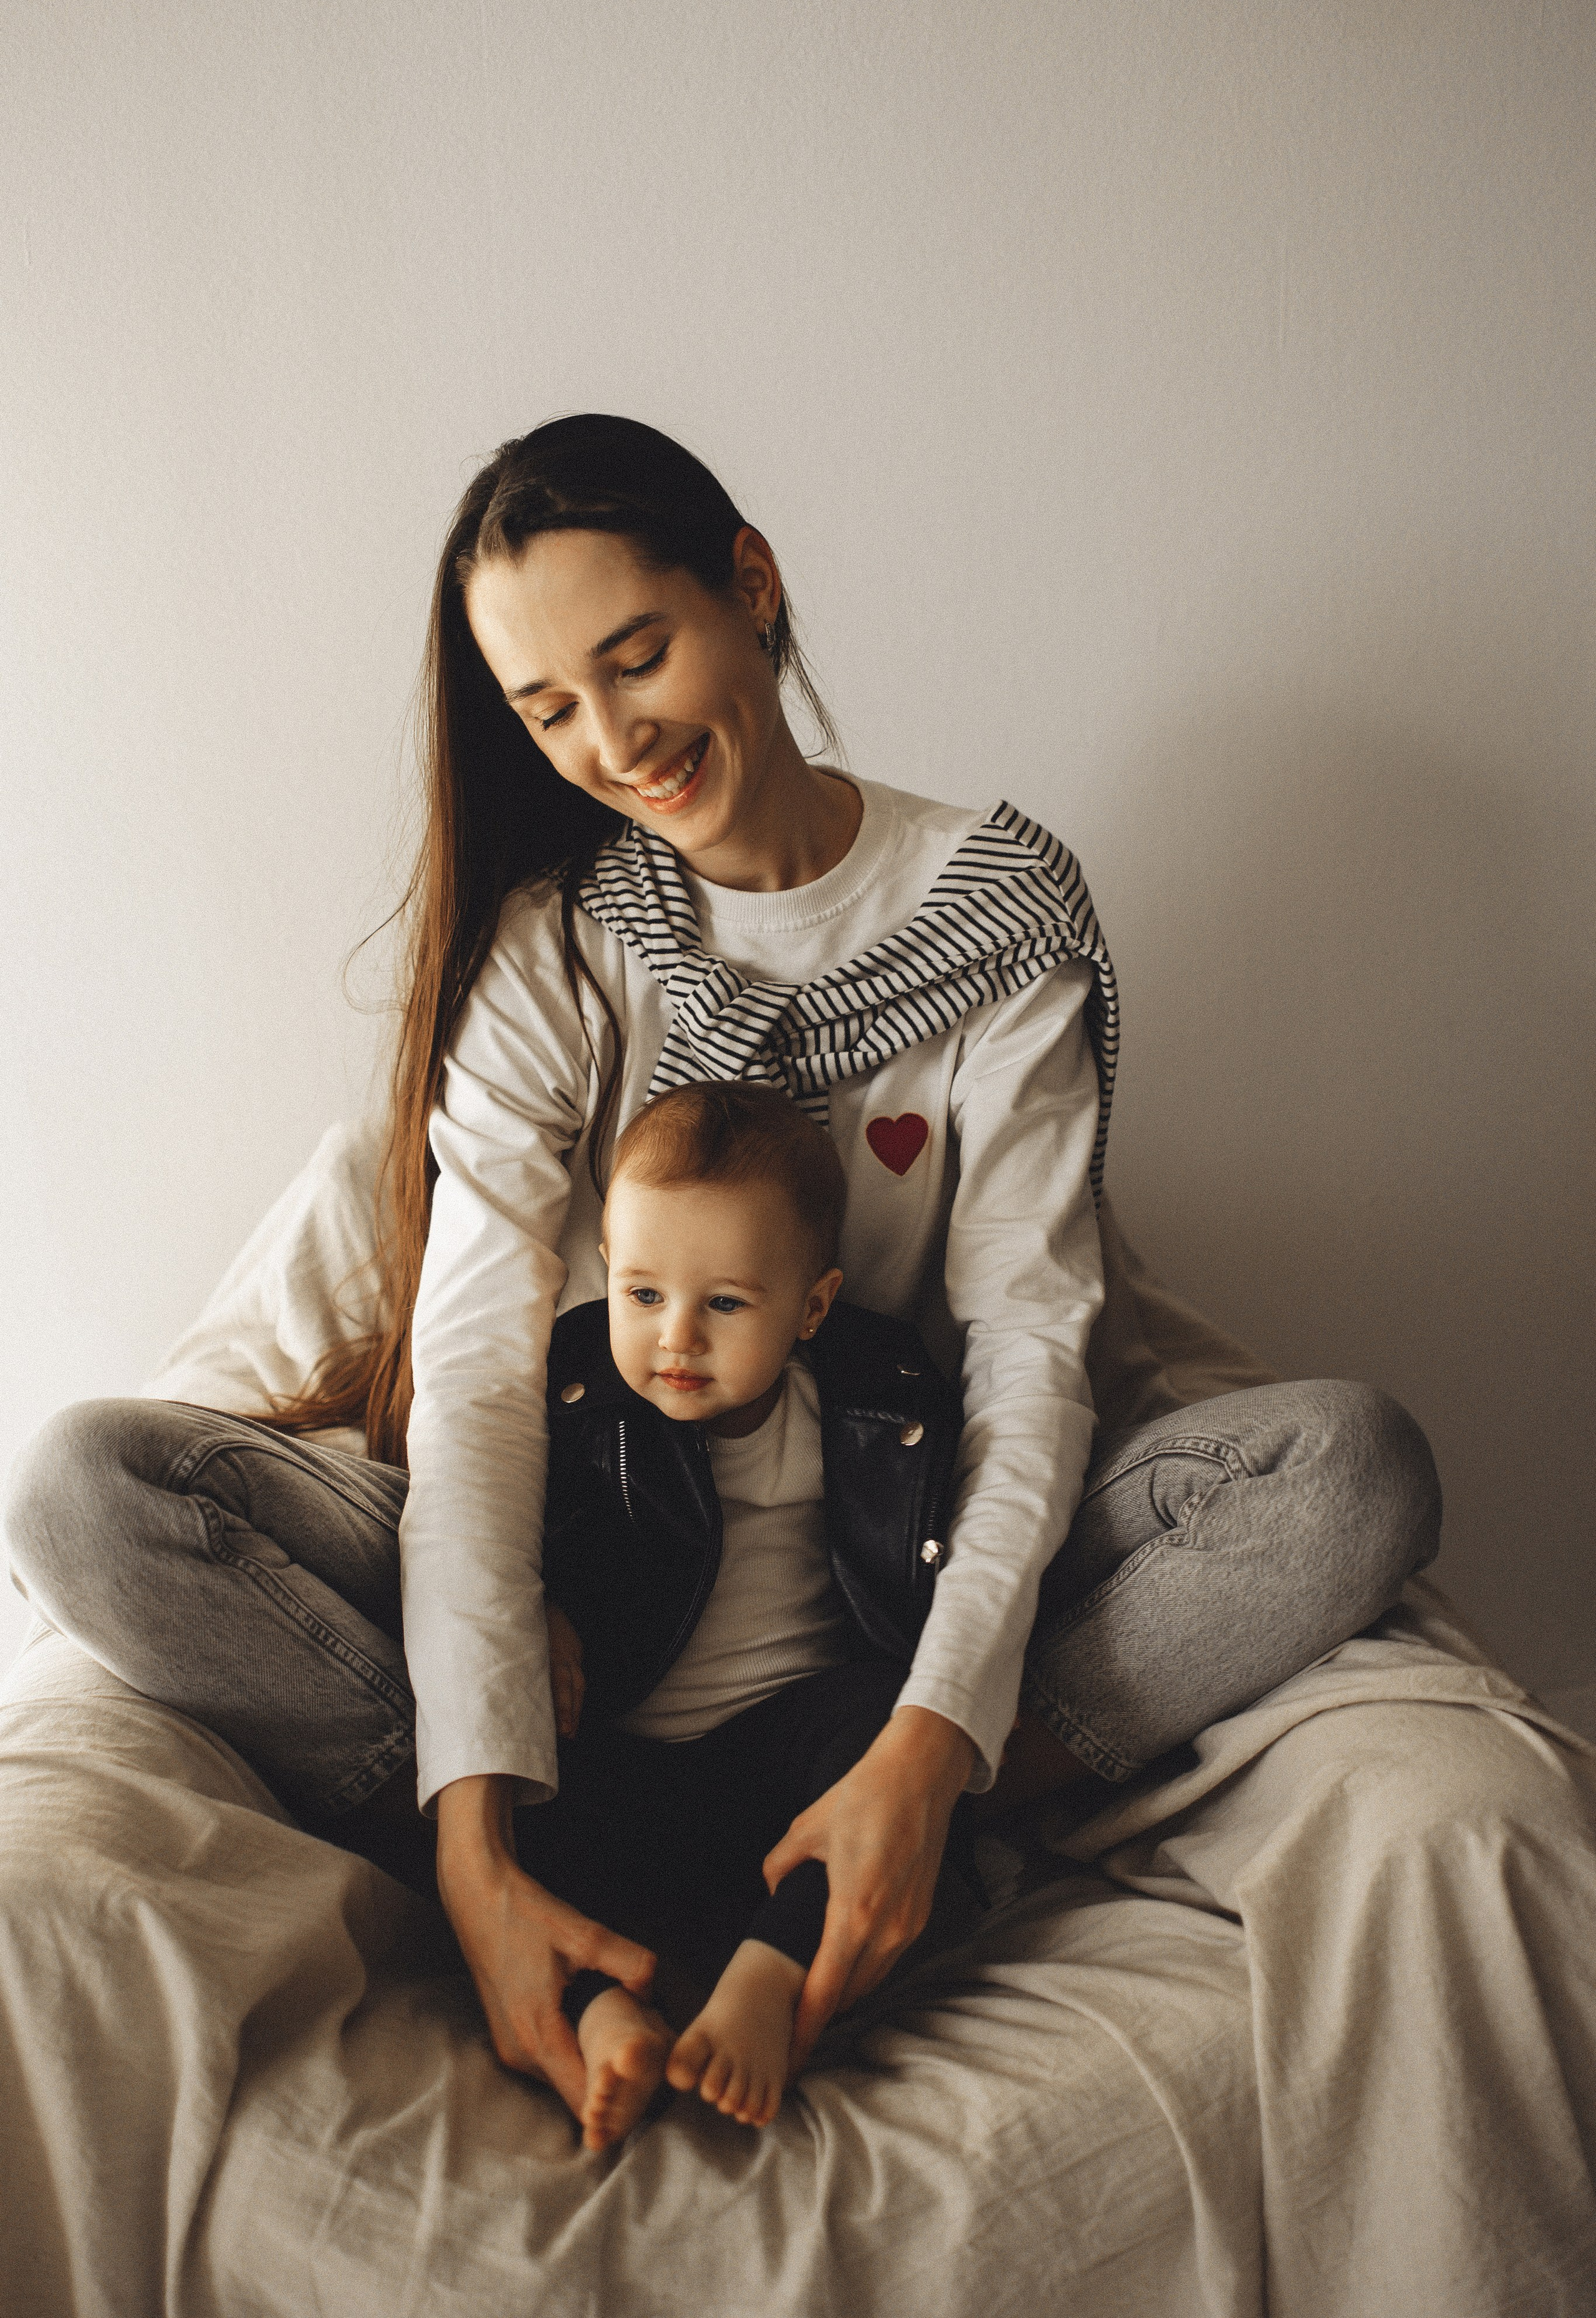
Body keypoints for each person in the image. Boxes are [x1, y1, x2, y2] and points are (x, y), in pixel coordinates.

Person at [2, 413, 1440, 2152]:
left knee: (1353, 1469)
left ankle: (894, 1820)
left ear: (749, 586)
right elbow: (468, 1378)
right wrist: (476, 1820)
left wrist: (928, 1744)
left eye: (637, 656)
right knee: (87, 1490)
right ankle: (537, 1844)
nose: (613, 741)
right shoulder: (558, 944)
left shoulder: (999, 915)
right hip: (579, 1602)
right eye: (550, 710)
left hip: (877, 1578)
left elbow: (1033, 1352)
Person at [524, 1077, 968, 2147]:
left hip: (791, 1757)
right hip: (626, 1753)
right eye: (641, 1296)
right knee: (509, 1787)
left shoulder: (878, 1403)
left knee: (886, 1730)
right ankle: (603, 2014)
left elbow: (937, 1565)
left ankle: (768, 1979)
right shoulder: (577, 1401)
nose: (675, 1338)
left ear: (811, 1307)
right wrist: (533, 1607)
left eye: (724, 1303)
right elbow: (505, 1534)